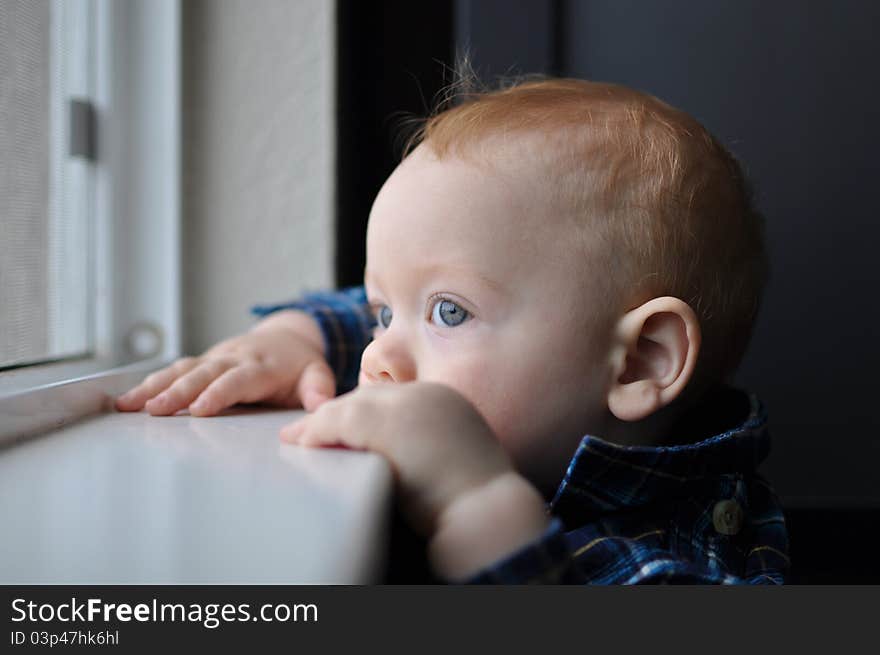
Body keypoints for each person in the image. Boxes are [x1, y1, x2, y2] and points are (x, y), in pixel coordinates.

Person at [116, 76, 789, 584]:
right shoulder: (444, 357)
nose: (379, 354)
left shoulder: (690, 551)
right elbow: (360, 310)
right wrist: (295, 339)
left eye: (448, 311)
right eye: (386, 313)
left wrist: (477, 503)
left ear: (639, 362)